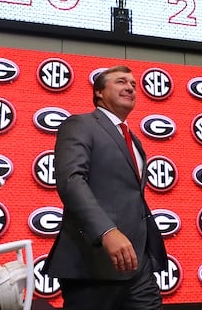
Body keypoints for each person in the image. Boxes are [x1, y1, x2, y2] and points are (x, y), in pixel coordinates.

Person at [46, 65, 168, 309]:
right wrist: (106, 231)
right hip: (92, 263)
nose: (131, 88)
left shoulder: (133, 140)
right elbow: (71, 180)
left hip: (137, 264)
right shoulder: (80, 124)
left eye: (134, 85)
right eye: (121, 82)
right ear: (99, 92)